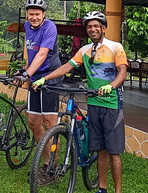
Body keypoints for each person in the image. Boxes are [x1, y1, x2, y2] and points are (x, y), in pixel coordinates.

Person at [33, 11, 127, 193]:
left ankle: (118, 191)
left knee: (114, 151)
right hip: (93, 103)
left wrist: (111, 85)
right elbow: (66, 67)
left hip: (112, 104)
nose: (92, 29)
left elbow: (122, 72)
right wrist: (45, 79)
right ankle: (102, 188)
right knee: (100, 149)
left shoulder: (116, 47)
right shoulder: (84, 50)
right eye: (89, 26)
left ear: (103, 28)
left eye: (96, 26)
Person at [13, 0, 62, 169]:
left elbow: (42, 54)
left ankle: (53, 167)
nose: (34, 17)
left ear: (43, 15)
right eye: (31, 14)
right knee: (33, 122)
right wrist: (24, 69)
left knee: (50, 124)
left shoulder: (50, 27)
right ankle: (47, 160)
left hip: (50, 77)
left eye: (37, 14)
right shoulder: (27, 26)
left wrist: (27, 74)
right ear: (27, 15)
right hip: (35, 77)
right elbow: (31, 51)